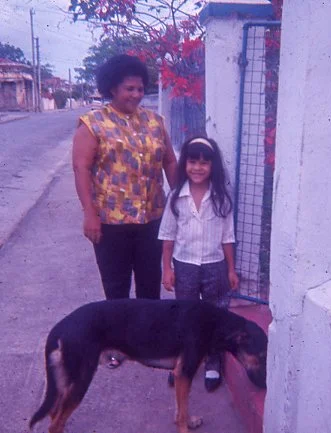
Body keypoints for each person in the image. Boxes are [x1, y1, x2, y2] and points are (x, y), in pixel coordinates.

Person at [72, 54, 177, 304]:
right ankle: (120, 341)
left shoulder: (155, 122)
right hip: (110, 224)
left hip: (152, 221)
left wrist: (180, 199)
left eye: (140, 88)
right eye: (129, 88)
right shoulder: (92, 124)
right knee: (117, 291)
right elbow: (81, 168)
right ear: (113, 88)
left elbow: (170, 161)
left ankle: (147, 341)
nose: (136, 94)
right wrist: (89, 213)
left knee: (150, 289)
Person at [158, 136, 239, 392]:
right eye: (192, 162)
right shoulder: (175, 198)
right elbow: (168, 237)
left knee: (215, 314)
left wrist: (231, 269)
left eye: (204, 163)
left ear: (213, 166)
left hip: (215, 266)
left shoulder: (221, 199)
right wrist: (167, 269)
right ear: (185, 165)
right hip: (185, 266)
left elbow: (227, 238)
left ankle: (213, 363)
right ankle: (183, 362)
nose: (198, 168)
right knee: (186, 315)